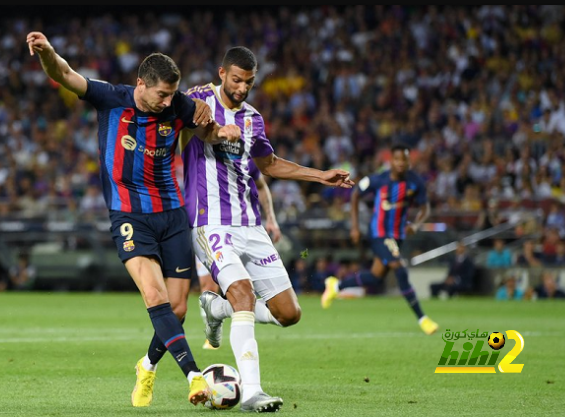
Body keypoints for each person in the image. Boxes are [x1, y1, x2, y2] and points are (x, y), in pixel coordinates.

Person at [26, 31, 242, 408]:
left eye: (172, 94)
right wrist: (48, 53)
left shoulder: (179, 106)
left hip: (172, 214)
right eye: (161, 94)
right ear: (141, 84)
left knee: (177, 309)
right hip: (129, 215)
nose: (167, 101)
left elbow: (206, 131)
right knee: (154, 296)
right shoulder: (111, 98)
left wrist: (221, 130)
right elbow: (63, 74)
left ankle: (146, 365)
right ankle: (193, 376)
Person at [181, 46, 354, 412]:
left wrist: (320, 175)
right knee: (242, 293)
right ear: (222, 72)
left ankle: (216, 310)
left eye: (249, 82)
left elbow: (270, 165)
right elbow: (194, 131)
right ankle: (252, 391)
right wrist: (215, 132)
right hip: (210, 222)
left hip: (251, 224)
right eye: (236, 80)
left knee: (289, 313)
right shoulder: (198, 97)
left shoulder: (253, 119)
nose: (242, 88)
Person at [321, 143, 439, 336]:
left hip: (397, 236)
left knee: (376, 276)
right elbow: (356, 193)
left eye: (405, 159)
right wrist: (355, 226)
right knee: (399, 268)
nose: (401, 163)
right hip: (379, 233)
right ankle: (422, 318)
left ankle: (336, 285)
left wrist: (416, 224)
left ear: (409, 161)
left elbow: (425, 207)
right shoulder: (379, 180)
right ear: (391, 161)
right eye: (397, 159)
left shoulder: (415, 182)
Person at [196, 162, 282, 351]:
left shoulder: (243, 157)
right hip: (211, 227)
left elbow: (260, 184)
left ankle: (218, 310)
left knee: (276, 308)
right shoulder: (201, 154)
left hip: (247, 231)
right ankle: (210, 333)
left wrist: (271, 219)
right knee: (209, 286)